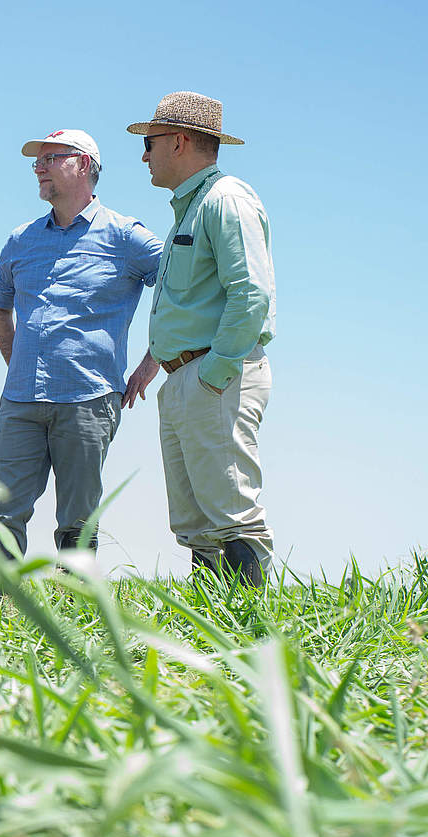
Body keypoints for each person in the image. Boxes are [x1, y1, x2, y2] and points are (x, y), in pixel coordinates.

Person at [0, 130, 162, 570]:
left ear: (82, 164)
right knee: (1, 513)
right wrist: (15, 363)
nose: (39, 169)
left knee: (77, 520)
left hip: (89, 398)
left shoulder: (126, 237)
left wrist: (151, 363)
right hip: (21, 399)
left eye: (49, 159)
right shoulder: (21, 239)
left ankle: (73, 613)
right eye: (36, 162)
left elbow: (181, 291)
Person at [123, 92, 276, 586]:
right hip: (186, 377)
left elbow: (251, 293)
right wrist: (160, 364)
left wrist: (214, 375)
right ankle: (209, 638)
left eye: (150, 143)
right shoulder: (190, 210)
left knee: (231, 512)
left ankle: (250, 641)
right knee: (197, 524)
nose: (144, 155)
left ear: (180, 141)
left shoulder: (224, 199)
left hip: (215, 374)